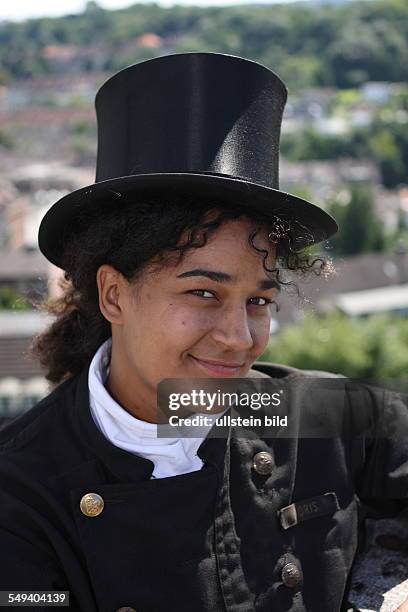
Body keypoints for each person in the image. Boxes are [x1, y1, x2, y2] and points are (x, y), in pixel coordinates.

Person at [0, 52, 407, 612]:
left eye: (259, 300)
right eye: (204, 293)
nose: (240, 337)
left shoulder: (298, 411)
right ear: (114, 294)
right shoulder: (19, 488)